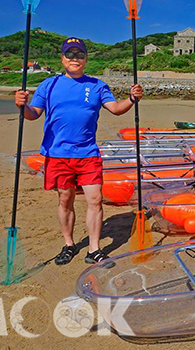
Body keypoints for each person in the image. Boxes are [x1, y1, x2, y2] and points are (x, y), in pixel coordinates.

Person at [14, 37, 143, 265]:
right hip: (57, 154)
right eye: (70, 54)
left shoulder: (97, 85)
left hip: (88, 154)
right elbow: (33, 114)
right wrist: (22, 105)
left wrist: (132, 99)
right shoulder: (49, 85)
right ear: (63, 58)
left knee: (95, 200)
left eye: (79, 54)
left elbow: (115, 109)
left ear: (86, 59)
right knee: (65, 199)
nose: (75, 58)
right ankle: (69, 244)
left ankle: (94, 249)